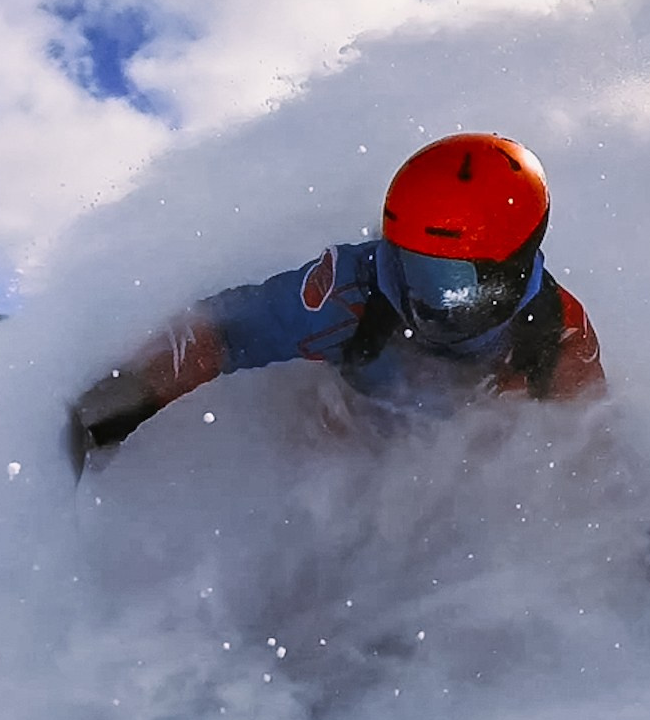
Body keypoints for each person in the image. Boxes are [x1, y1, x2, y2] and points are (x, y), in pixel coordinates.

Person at [67, 133, 604, 477]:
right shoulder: (353, 289)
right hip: (338, 448)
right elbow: (226, 329)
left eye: (452, 283)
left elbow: (595, 442)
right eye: (411, 265)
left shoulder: (554, 332)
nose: (423, 299)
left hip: (448, 476)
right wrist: (122, 401)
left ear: (512, 269)